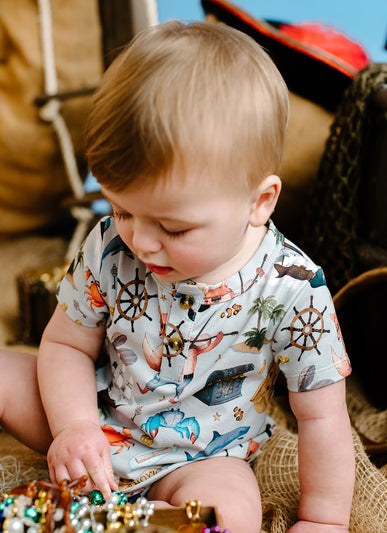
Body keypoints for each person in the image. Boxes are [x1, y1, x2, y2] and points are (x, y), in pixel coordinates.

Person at [0, 20, 355, 533]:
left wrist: (324, 521)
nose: (140, 240)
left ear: (259, 202)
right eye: (121, 209)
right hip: (95, 411)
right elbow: (67, 345)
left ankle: (140, 521)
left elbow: (322, 417)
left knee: (232, 510)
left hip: (200, 457)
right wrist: (74, 426)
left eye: (172, 227)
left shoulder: (293, 289)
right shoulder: (109, 243)